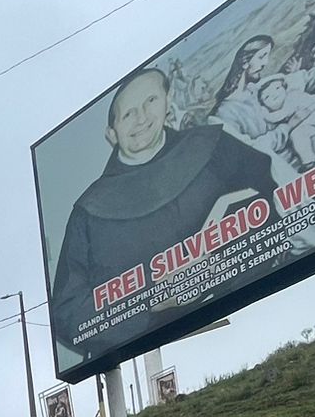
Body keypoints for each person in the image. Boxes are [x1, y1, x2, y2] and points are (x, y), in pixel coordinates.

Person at [49, 67, 278, 356]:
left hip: (257, 322)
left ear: (167, 102)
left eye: (150, 101)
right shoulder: (88, 211)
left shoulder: (214, 146)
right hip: (149, 352)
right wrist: (150, 301)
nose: (142, 117)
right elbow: (69, 314)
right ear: (111, 133)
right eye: (128, 113)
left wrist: (222, 264)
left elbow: (273, 202)